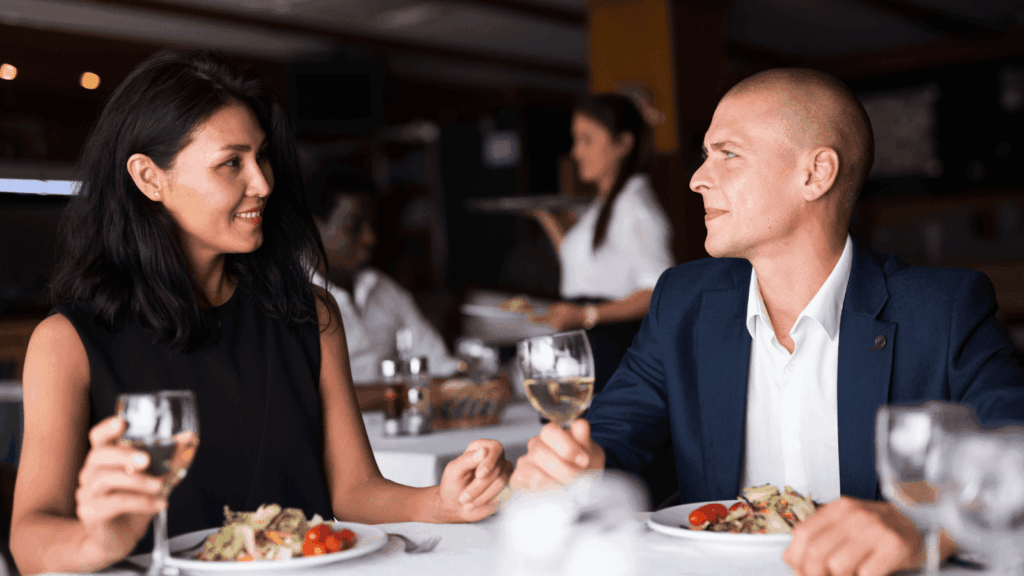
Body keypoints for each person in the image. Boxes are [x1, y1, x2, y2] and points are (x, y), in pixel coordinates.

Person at [10, 49, 511, 575]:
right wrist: (99, 542)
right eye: (232, 163)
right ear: (149, 178)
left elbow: (354, 490)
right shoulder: (68, 341)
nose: (264, 183)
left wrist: (442, 502)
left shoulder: (310, 315)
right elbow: (30, 538)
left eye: (262, 156)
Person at [511, 68, 1024, 576]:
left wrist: (927, 530)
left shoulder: (943, 308)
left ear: (815, 174)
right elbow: (611, 435)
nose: (697, 178)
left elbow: (1015, 453)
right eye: (706, 155)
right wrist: (574, 462)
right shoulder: (684, 303)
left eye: (727, 154)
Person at [529, 93, 674, 392]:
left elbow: (657, 291)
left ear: (623, 143)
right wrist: (549, 222)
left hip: (611, 349)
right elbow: (585, 268)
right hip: (588, 345)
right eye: (576, 140)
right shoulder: (606, 205)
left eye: (587, 140)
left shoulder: (636, 210)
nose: (576, 151)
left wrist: (586, 315)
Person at [309, 172, 461, 384]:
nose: (370, 239)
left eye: (371, 226)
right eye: (354, 226)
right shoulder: (286, 300)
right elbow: (307, 399)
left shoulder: (383, 289)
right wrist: (398, 394)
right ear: (313, 228)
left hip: (400, 414)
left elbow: (439, 365)